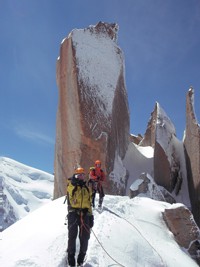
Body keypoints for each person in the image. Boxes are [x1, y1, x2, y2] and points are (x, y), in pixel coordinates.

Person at [66, 167, 94, 267]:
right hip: (73, 214)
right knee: (72, 236)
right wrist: (74, 182)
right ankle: (70, 258)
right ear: (76, 175)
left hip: (85, 214)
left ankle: (81, 259)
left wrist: (91, 216)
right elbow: (69, 191)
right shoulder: (72, 185)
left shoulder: (86, 189)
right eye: (79, 175)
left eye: (82, 175)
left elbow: (89, 204)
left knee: (85, 237)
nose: (81, 177)